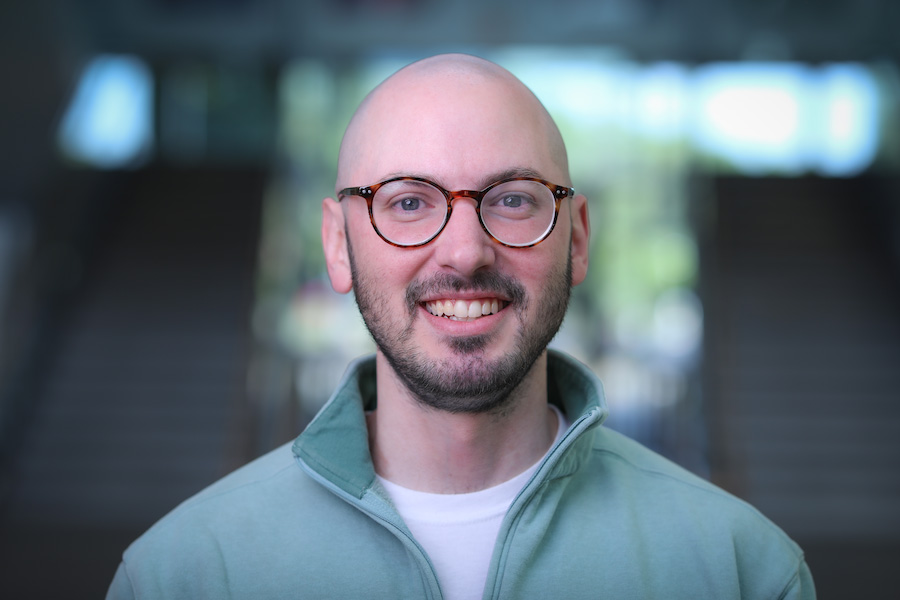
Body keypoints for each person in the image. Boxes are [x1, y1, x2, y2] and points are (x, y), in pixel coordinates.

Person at [107, 53, 815, 599]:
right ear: (336, 244)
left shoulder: (740, 571)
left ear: (576, 238)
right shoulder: (184, 576)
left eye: (512, 199)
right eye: (408, 202)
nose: (466, 250)